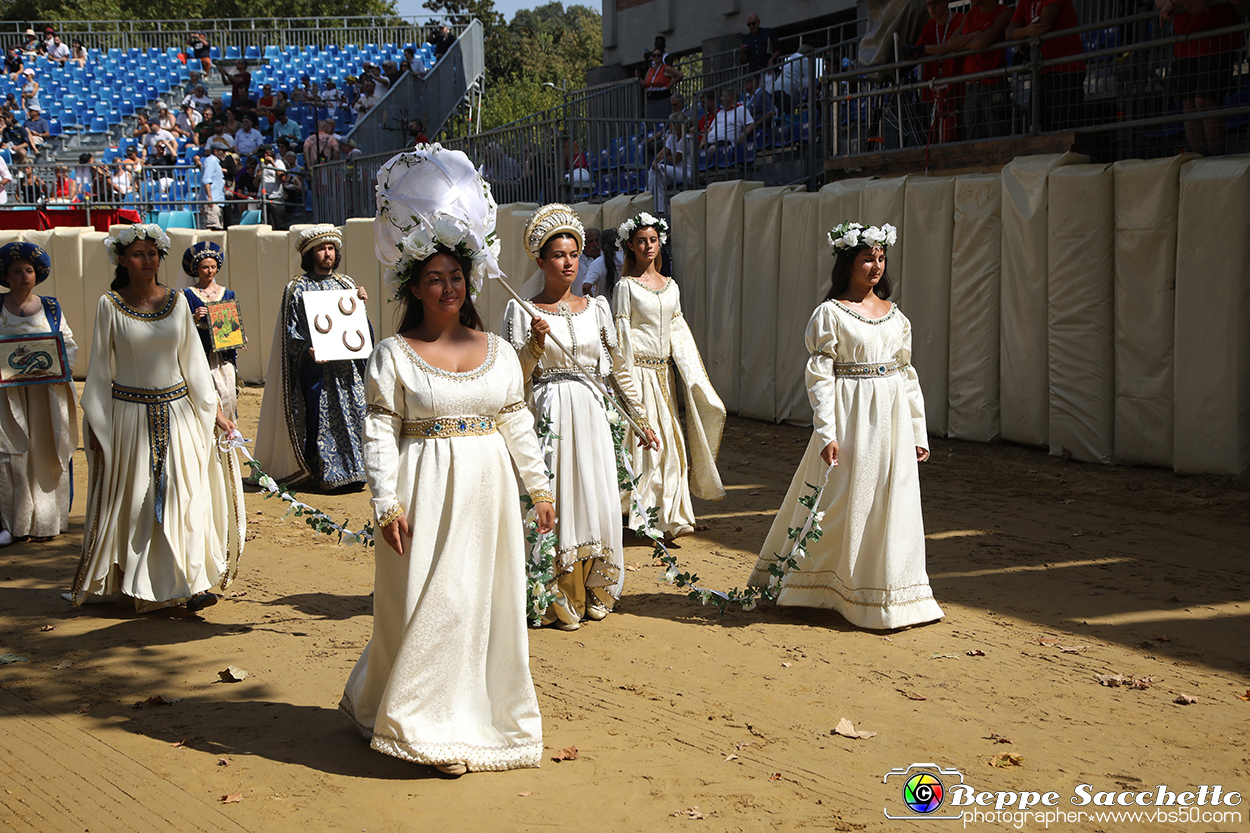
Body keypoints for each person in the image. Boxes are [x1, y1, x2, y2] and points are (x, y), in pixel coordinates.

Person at [341, 166, 552, 775]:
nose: (448, 288)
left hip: (487, 494)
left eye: (456, 277)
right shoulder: (393, 356)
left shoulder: (501, 354)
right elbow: (378, 433)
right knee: (431, 603)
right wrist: (386, 503)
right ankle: (417, 722)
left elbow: (515, 419)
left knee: (481, 602)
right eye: (435, 279)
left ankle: (465, 717)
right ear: (414, 287)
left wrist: (538, 487)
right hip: (423, 494)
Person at [746, 222, 943, 630]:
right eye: (867, 258)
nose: (876, 265)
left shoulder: (896, 317)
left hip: (892, 423)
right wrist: (827, 432)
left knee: (893, 503)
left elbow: (907, 375)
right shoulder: (830, 314)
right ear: (847, 264)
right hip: (852, 420)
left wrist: (918, 431)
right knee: (840, 505)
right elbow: (820, 377)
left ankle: (895, 596)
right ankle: (815, 586)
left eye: (881, 258)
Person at [71, 224, 243, 613]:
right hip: (129, 419)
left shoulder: (178, 301)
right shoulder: (109, 304)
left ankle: (191, 583)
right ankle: (137, 585)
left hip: (179, 414)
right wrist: (98, 424)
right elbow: (99, 369)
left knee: (186, 497)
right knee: (138, 503)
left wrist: (215, 412)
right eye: (137, 254)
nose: (146, 260)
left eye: (152, 253)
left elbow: (194, 364)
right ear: (121, 259)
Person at [503, 205, 654, 630]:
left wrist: (641, 419)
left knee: (596, 497)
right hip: (551, 416)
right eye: (558, 256)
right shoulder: (523, 312)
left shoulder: (597, 308)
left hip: (593, 412)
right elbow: (514, 380)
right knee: (563, 501)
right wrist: (533, 345)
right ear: (540, 261)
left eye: (573, 254)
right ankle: (557, 592)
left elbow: (618, 367)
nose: (568, 263)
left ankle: (596, 586)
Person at [614, 213, 725, 540]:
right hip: (638, 374)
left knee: (673, 448)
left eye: (653, 240)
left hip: (664, 375)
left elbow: (680, 334)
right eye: (641, 241)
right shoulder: (625, 287)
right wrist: (626, 388)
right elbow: (621, 337)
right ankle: (643, 517)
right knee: (648, 447)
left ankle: (673, 516)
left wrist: (696, 379)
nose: (648, 246)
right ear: (630, 247)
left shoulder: (671, 286)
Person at [255, 226, 369, 490]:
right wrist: (307, 349)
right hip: (318, 371)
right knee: (321, 420)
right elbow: (290, 332)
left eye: (331, 249)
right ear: (310, 253)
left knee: (355, 415)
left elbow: (360, 330)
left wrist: (361, 303)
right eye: (321, 248)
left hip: (347, 372)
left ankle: (356, 472)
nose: (327, 254)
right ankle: (325, 476)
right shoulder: (297, 288)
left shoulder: (347, 284)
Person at [0, 243, 78, 546]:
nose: (23, 276)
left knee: (47, 451)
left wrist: (60, 369)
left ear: (37, 274)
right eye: (16, 271)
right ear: (6, 275)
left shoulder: (51, 307)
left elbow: (68, 344)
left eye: (28, 271)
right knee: (11, 455)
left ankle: (47, 522)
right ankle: (12, 523)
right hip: (7, 398)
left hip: (47, 395)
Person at [1155, 0, 1247, 155]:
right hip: (1185, 40)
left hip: (1216, 36)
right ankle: (1199, 161)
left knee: (1204, 102)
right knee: (1189, 105)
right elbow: (1159, 3)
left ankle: (1216, 161)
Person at [1006, 0, 1086, 132]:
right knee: (1036, 128)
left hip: (1065, 70)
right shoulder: (1025, 2)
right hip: (1041, 71)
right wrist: (1028, 31)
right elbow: (1008, 33)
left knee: (1062, 128)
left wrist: (1024, 33)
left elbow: (1043, 26)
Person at [181, 243, 239, 422]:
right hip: (201, 355)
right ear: (197, 269)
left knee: (228, 394)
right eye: (205, 267)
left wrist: (239, 336)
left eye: (213, 267)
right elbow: (180, 326)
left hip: (224, 356)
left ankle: (228, 439)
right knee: (206, 396)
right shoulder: (187, 295)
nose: (210, 271)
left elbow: (232, 324)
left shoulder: (227, 293)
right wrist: (194, 317)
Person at [942, 0, 1012, 140]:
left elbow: (983, 42)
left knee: (997, 135)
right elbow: (951, 43)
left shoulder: (1003, 13)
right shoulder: (970, 14)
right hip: (972, 86)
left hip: (993, 83)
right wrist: (974, 36)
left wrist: (964, 44)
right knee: (973, 136)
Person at [903, 0, 967, 143]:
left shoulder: (960, 20)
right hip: (935, 92)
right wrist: (909, 51)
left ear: (946, 2)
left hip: (956, 89)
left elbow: (947, 46)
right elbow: (917, 52)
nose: (931, 7)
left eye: (935, 3)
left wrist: (920, 49)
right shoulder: (930, 26)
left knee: (956, 132)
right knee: (935, 136)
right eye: (928, 4)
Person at [648, 112, 696, 215]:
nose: (670, 125)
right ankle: (659, 210)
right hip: (675, 172)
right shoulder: (671, 138)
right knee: (657, 176)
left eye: (672, 123)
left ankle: (647, 196)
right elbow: (661, 153)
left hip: (685, 172)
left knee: (659, 167)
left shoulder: (686, 139)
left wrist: (664, 156)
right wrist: (655, 161)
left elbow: (676, 159)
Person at [643, 47, 683, 123]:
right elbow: (645, 84)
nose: (656, 57)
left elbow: (680, 75)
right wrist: (637, 77)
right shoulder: (650, 70)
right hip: (651, 99)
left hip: (662, 98)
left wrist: (670, 84)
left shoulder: (666, 68)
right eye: (654, 55)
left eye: (658, 55)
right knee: (651, 122)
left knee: (663, 121)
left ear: (661, 57)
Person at [200, 146, 225, 230]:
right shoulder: (210, 161)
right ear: (215, 151)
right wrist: (210, 197)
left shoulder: (215, 162)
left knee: (218, 231)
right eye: (223, 151)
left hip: (217, 202)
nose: (225, 153)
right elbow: (206, 179)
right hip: (212, 203)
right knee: (213, 230)